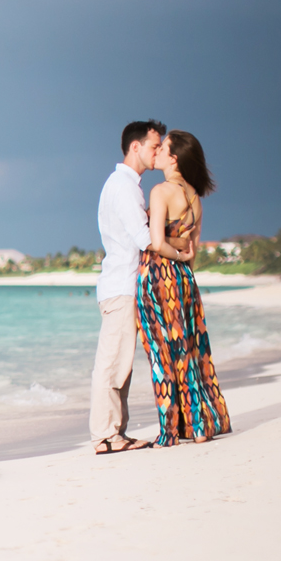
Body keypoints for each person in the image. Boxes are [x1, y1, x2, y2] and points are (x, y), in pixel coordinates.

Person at [90, 120, 182, 454]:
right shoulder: (124, 186)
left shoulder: (125, 185)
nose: (158, 152)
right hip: (122, 285)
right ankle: (105, 435)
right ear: (136, 147)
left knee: (120, 365)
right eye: (155, 146)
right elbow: (146, 239)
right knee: (112, 364)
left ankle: (115, 432)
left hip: (123, 284)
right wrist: (181, 250)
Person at [136, 130, 231, 446]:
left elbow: (158, 242)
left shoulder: (161, 191)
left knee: (163, 352)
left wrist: (172, 251)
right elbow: (193, 248)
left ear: (173, 158)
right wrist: (181, 254)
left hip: (160, 277)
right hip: (185, 280)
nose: (158, 151)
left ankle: (174, 429)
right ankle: (203, 422)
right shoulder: (194, 196)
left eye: (162, 147)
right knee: (191, 348)